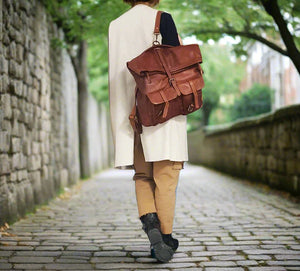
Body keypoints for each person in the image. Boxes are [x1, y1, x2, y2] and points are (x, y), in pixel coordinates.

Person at [108, 0, 188, 262]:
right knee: (166, 177)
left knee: (143, 176)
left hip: (133, 116)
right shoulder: (162, 19)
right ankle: (163, 240)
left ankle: (151, 225)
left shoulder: (115, 26)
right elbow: (178, 64)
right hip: (163, 111)